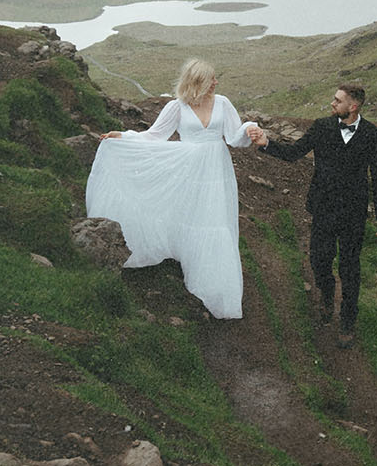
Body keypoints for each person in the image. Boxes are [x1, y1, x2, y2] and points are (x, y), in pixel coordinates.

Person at [86, 59, 260, 320]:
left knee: (214, 220)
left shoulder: (222, 102)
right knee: (191, 216)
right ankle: (188, 258)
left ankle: (215, 283)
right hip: (188, 168)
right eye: (211, 79)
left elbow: (235, 137)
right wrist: (124, 137)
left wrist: (249, 128)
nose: (216, 82)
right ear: (198, 81)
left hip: (216, 170)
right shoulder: (176, 106)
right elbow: (154, 136)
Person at [251, 83, 377, 348]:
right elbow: (293, 153)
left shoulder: (371, 134)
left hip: (353, 214)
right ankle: (327, 296)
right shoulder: (321, 127)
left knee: (350, 269)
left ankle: (348, 320)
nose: (332, 104)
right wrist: (266, 143)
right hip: (323, 208)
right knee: (319, 261)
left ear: (353, 106)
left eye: (338, 101)